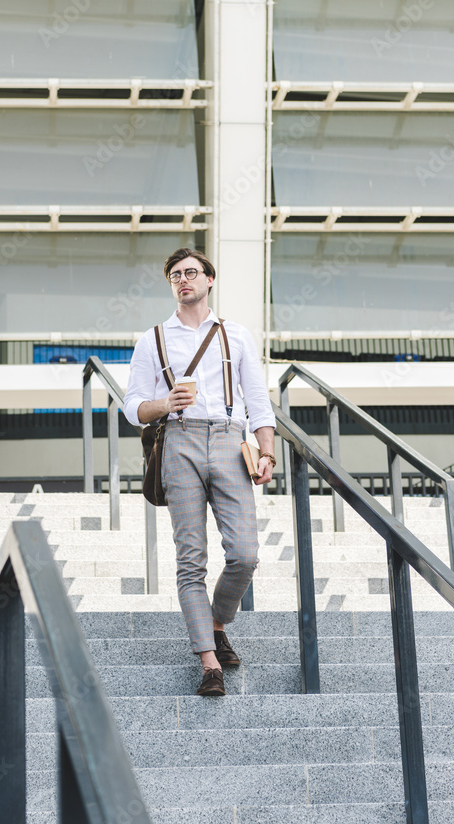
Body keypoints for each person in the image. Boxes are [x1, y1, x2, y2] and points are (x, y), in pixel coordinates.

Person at [124, 247, 276, 696]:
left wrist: (266, 451)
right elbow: (132, 406)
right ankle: (209, 661)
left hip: (230, 440)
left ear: (210, 279)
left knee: (245, 554)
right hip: (179, 441)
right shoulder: (152, 339)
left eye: (191, 273)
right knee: (190, 559)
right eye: (175, 275)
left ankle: (215, 622)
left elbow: (259, 400)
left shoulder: (238, 336)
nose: (183, 280)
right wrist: (163, 403)